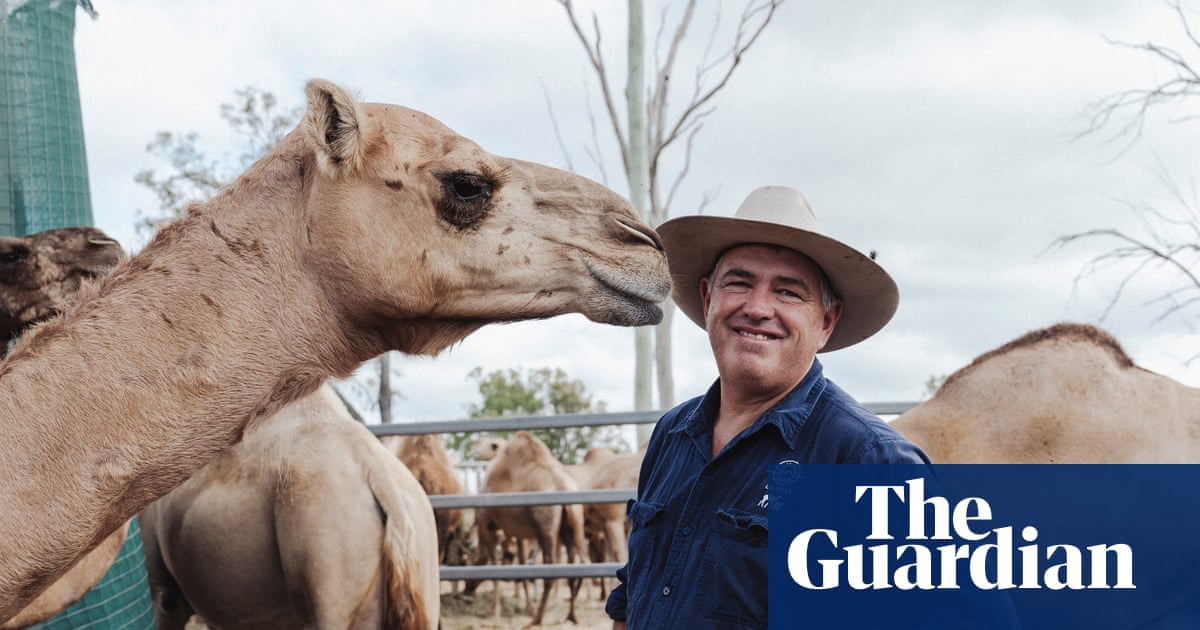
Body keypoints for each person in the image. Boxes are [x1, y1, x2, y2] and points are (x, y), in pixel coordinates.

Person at [605, 185, 931, 629]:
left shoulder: (870, 461)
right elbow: (633, 596)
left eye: (788, 292)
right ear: (708, 298)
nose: (758, 308)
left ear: (826, 322)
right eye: (739, 283)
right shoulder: (672, 434)